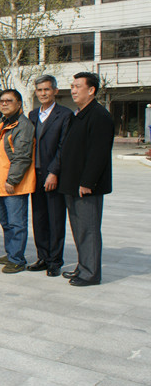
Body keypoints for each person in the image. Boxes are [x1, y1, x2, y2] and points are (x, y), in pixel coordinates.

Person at [59, 72, 113, 287]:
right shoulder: (79, 114)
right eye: (72, 86)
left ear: (91, 90)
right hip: (72, 183)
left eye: (77, 86)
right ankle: (83, 267)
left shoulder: (99, 116)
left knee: (88, 229)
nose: (73, 90)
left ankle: (91, 273)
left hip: (86, 186)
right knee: (79, 229)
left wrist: (87, 182)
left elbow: (99, 153)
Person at [26, 75, 73, 277]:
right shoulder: (32, 115)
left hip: (53, 175)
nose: (43, 93)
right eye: (39, 90)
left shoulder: (65, 114)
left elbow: (64, 147)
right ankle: (43, 257)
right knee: (39, 218)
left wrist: (54, 172)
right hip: (34, 174)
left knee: (55, 219)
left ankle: (55, 261)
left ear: (55, 91)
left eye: (47, 89)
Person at [0, 89, 36, 274]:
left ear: (19, 103)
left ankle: (17, 259)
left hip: (13, 184)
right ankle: (11, 254)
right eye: (1, 101)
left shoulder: (23, 125)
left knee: (17, 224)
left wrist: (13, 180)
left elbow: (22, 156)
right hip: (1, 183)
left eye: (9, 100)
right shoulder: (4, 123)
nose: (4, 103)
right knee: (6, 223)